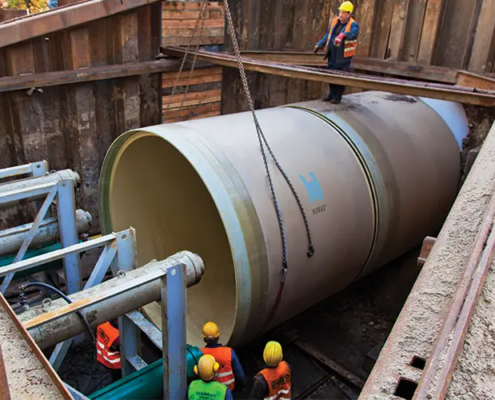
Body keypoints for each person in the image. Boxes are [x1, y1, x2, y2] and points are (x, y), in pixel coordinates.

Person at [314, 1, 359, 104]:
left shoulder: (353, 24)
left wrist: (343, 35)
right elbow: (327, 35)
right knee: (330, 74)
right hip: (332, 54)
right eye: (340, 12)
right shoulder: (335, 22)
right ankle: (332, 94)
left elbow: (354, 34)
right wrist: (319, 44)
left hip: (343, 56)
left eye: (343, 13)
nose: (341, 15)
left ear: (349, 14)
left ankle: (337, 96)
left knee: (340, 76)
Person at [200, 321, 247, 392]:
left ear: (204, 338)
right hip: (227, 390)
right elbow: (240, 374)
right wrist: (243, 385)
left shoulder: (200, 353)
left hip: (208, 392)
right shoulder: (229, 352)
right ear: (218, 336)